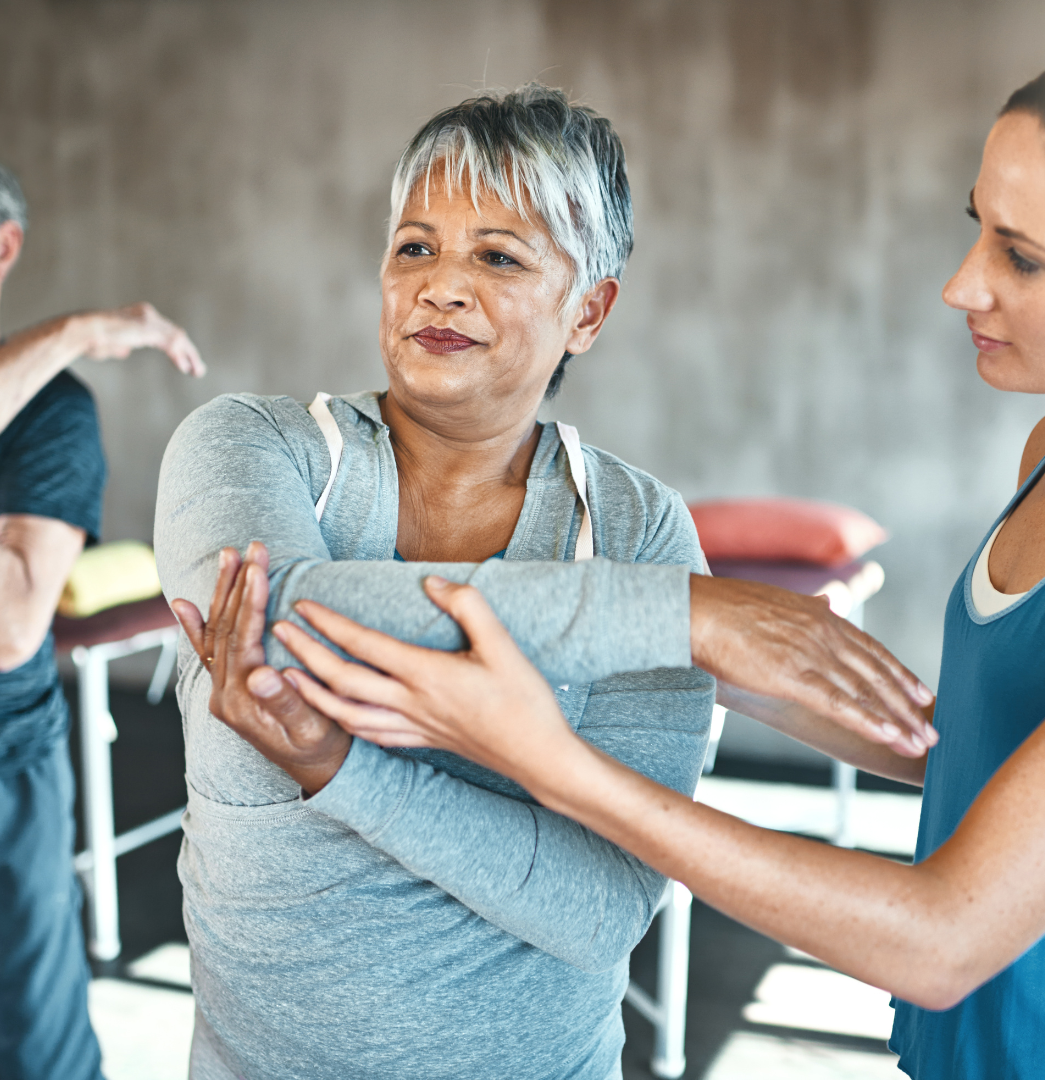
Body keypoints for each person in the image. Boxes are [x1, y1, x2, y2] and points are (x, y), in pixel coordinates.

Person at [195, 73, 1045, 1080]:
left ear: (588, 310)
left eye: (1023, 256)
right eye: (415, 245)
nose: (961, 283)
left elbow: (937, 938)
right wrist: (687, 632)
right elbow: (990, 739)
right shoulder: (256, 444)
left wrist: (531, 745)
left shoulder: (636, 526)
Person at [0, 138, 203, 1080]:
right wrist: (71, 326)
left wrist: (63, 344)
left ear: (1, 248)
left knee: (44, 1060)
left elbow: (12, 622)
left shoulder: (53, 414)